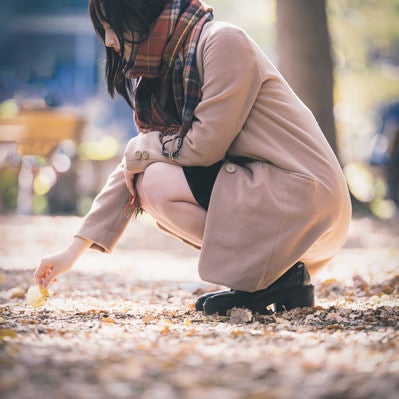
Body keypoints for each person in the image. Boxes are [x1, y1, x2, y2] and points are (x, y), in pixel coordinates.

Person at [34, 0, 352, 315]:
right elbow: (136, 163)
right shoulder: (167, 70)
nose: (109, 41)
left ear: (138, 14)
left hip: (304, 197)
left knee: (156, 181)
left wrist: (142, 148)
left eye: (110, 26)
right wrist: (72, 252)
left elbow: (205, 146)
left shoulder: (223, 41)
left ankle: (269, 278)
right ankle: (279, 279)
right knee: (149, 180)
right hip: (274, 194)